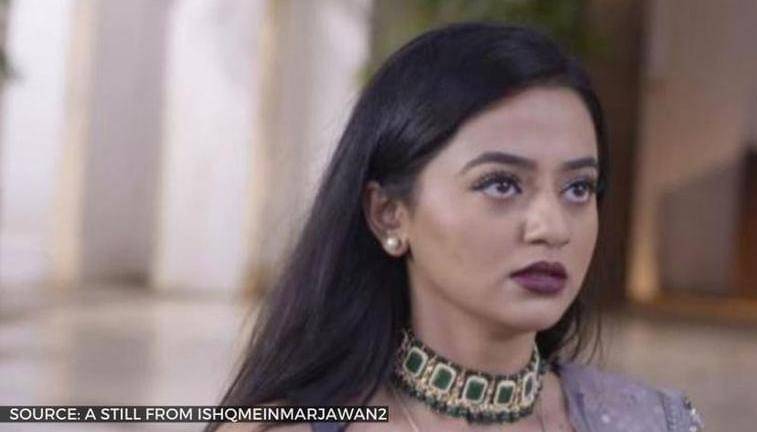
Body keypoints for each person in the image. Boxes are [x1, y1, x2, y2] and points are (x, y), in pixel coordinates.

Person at [208, 22, 704, 432]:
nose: (553, 228)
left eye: (578, 188)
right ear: (389, 213)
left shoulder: (652, 422)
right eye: (502, 184)